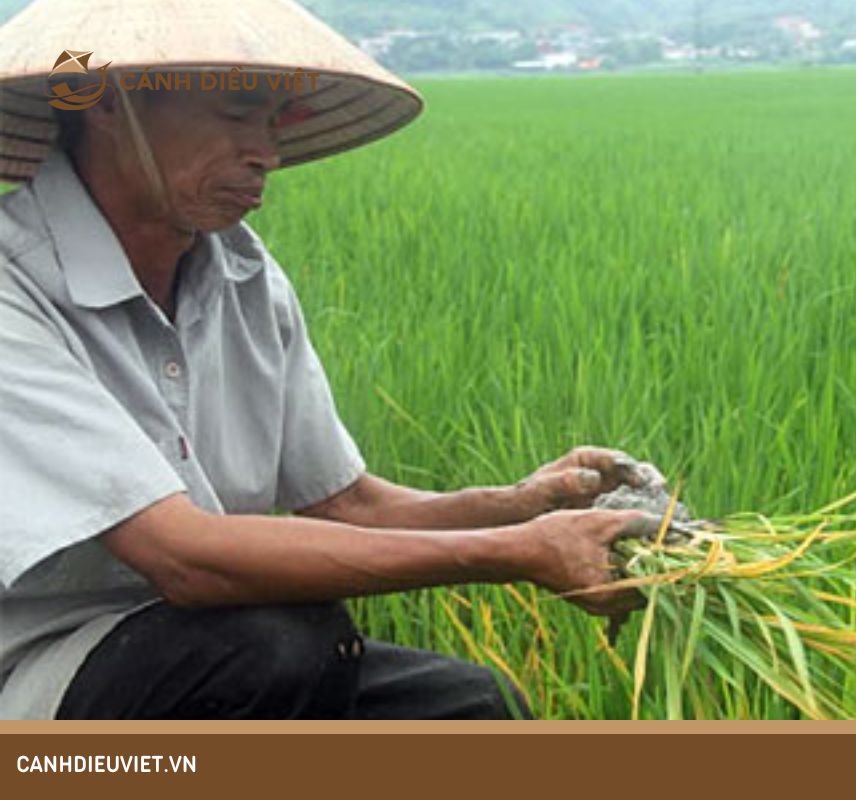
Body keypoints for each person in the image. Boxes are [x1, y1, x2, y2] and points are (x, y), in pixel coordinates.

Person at [0, 0, 660, 719]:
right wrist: (520, 550)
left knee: (475, 708)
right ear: (104, 102)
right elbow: (182, 557)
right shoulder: (14, 289)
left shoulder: (243, 273)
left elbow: (348, 502)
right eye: (237, 115)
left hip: (223, 649)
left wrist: (523, 504)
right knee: (280, 641)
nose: (267, 153)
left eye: (273, 123)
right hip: (45, 679)